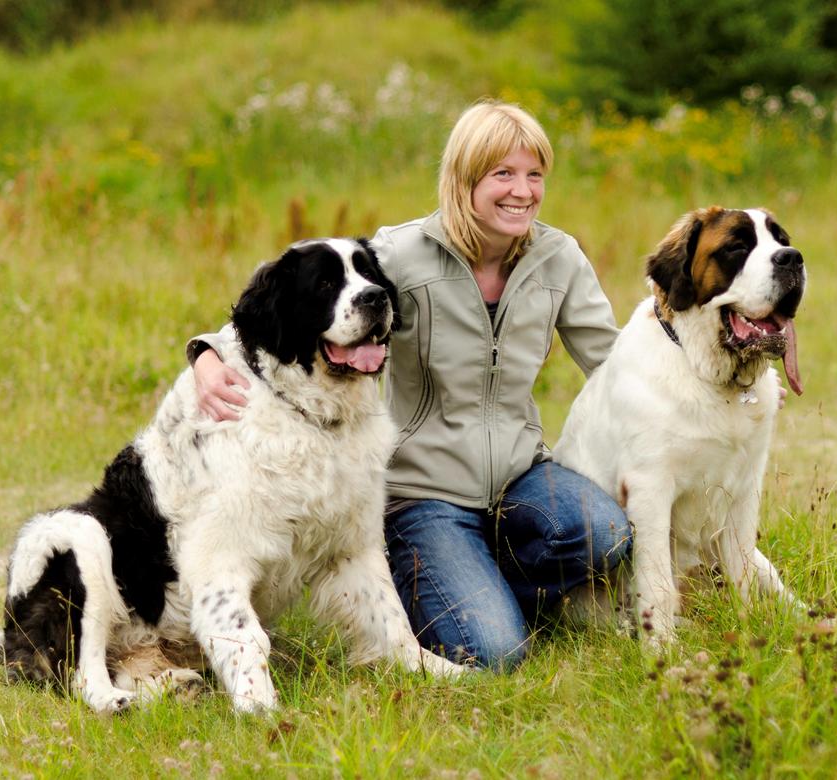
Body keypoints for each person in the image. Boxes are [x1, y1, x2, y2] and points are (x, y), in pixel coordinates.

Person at [189, 100, 632, 671]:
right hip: (421, 497)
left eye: (534, 174)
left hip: (519, 479)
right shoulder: (399, 253)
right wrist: (204, 354)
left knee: (606, 533)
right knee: (494, 652)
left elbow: (618, 362)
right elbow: (278, 308)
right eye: (503, 174)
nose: (522, 191)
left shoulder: (558, 257)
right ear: (464, 179)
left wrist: (728, 351)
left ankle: (486, 574)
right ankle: (437, 574)